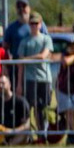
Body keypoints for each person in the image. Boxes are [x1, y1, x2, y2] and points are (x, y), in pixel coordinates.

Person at [16, 11, 54, 139]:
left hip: (44, 79)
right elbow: (20, 64)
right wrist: (19, 84)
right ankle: (28, 135)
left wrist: (26, 59)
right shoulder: (24, 41)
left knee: (43, 108)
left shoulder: (46, 39)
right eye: (32, 23)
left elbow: (43, 56)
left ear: (40, 24)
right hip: (29, 79)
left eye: (36, 23)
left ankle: (42, 134)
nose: (34, 26)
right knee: (28, 108)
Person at [0, 74, 32, 145]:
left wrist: (11, 131)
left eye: (3, 83)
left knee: (25, 132)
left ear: (9, 84)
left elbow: (27, 125)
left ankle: (9, 145)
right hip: (0, 134)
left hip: (17, 133)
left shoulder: (20, 102)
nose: (0, 86)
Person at [55, 40, 74, 145]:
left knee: (72, 112)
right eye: (72, 47)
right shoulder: (65, 54)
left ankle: (72, 135)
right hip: (64, 88)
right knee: (68, 112)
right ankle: (71, 135)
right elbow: (66, 61)